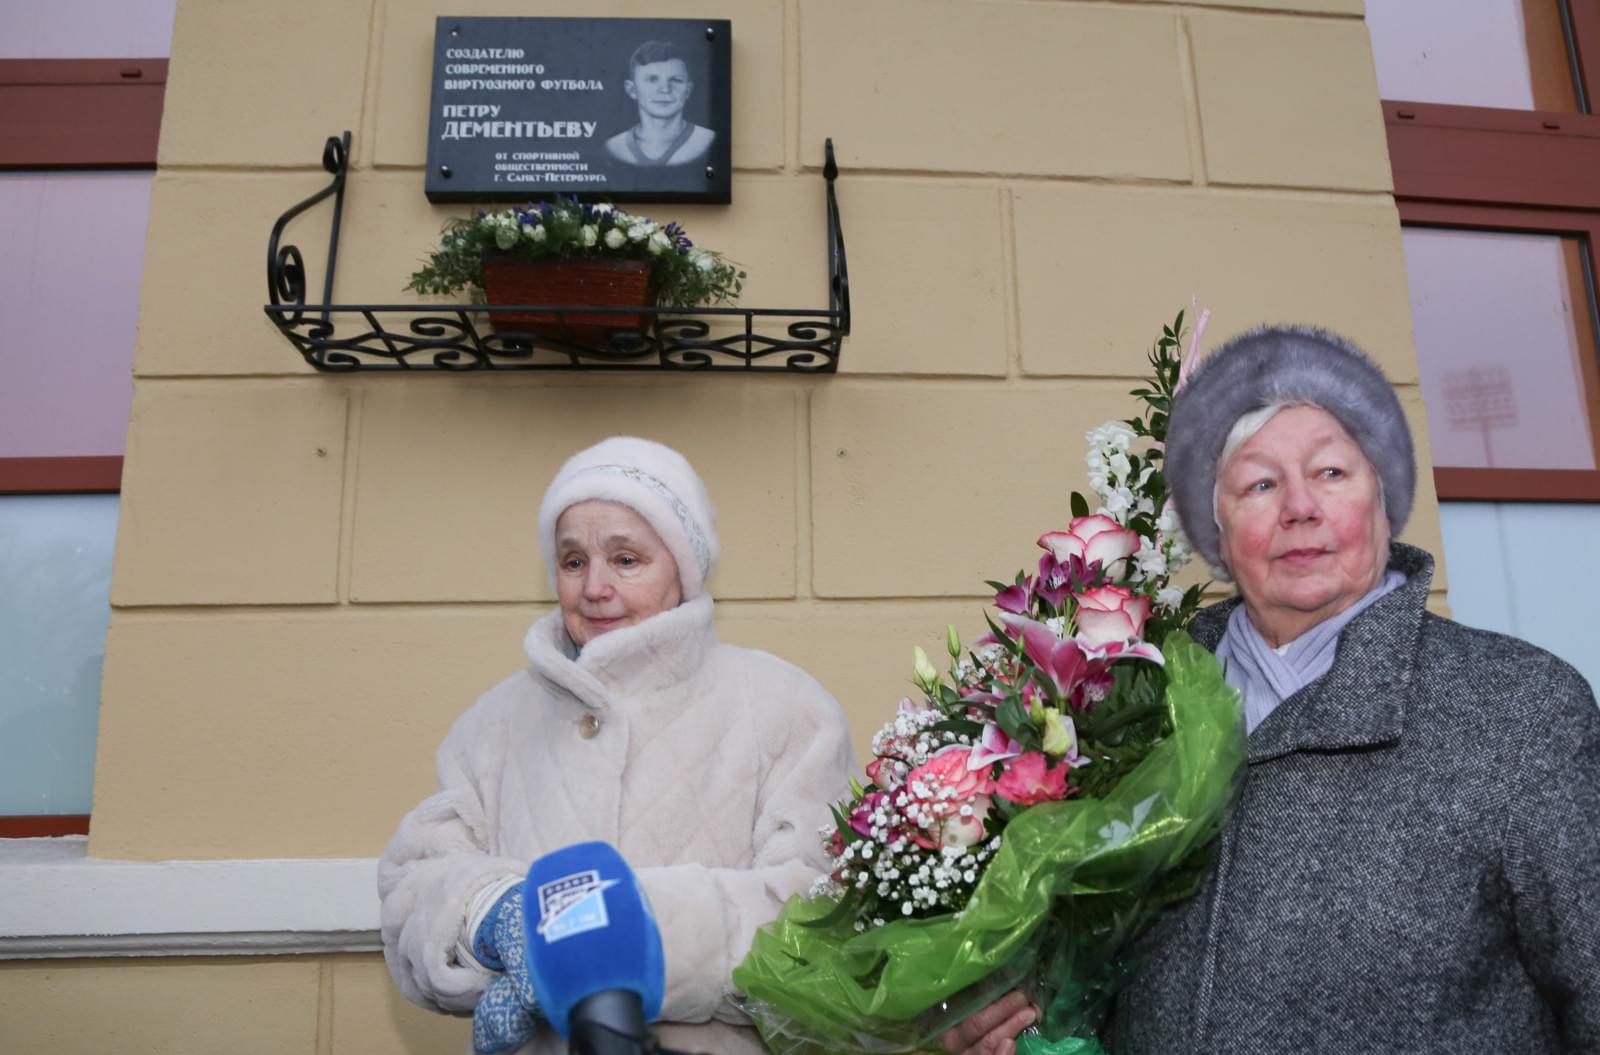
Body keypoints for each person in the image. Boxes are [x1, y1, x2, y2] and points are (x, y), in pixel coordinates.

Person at [944, 326, 1600, 1054]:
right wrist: (1012, 1016)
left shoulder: (1518, 708)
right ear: (1216, 533)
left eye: (1331, 472)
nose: (1299, 508)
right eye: (1260, 484)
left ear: (1384, 500)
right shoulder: (1128, 711)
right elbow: (1084, 970)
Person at [378, 436, 856, 1055]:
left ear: (683, 568)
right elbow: (412, 884)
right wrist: (494, 916)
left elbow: (823, 910)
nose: (595, 587)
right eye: (573, 561)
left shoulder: (785, 707)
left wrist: (612, 938)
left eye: (626, 559)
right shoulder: (494, 722)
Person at [603, 41, 716, 167]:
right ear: (632, 90)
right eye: (652, 80)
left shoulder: (708, 140)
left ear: (688, 91)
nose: (665, 89)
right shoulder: (614, 147)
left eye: (676, 80)